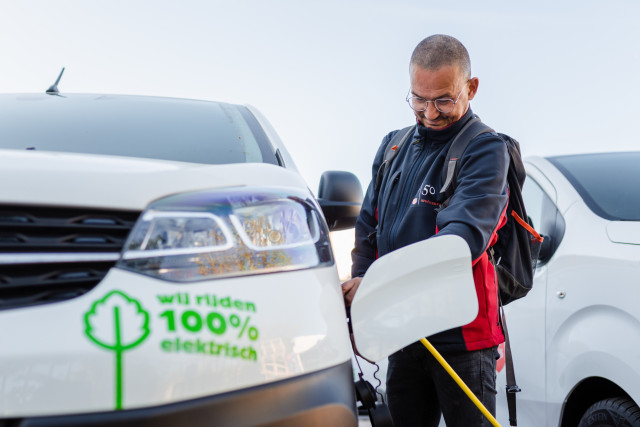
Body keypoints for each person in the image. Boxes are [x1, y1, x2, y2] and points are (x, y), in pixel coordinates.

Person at [342, 34, 509, 426]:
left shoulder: (486, 149)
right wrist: (364, 279)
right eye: (419, 99)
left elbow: (462, 239)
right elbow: (368, 227)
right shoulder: (392, 147)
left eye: (444, 100)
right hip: (403, 331)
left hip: (462, 339)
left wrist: (381, 284)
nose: (430, 113)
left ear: (471, 89)